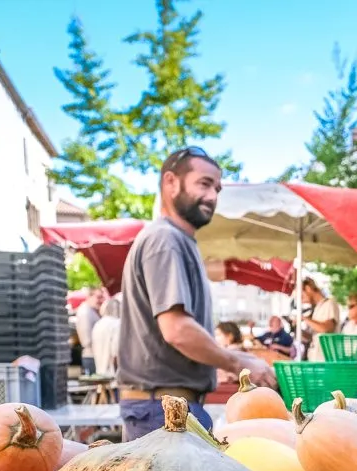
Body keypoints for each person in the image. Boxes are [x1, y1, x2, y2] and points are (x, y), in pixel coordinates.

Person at [117, 146, 276, 440]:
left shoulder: (179, 241)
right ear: (171, 182)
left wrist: (218, 363)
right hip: (162, 411)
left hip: (168, 406)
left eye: (217, 188)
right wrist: (238, 362)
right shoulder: (165, 239)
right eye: (204, 184)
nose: (213, 196)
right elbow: (176, 329)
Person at [302, 276, 339, 358]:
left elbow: (325, 329)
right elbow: (315, 336)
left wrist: (303, 318)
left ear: (308, 289)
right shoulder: (317, 308)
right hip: (315, 357)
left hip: (326, 359)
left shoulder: (329, 303)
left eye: (302, 295)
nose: (302, 300)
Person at [74, 287, 104, 375]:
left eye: (102, 297)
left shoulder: (91, 311)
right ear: (90, 297)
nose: (101, 300)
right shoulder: (85, 312)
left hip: (94, 356)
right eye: (98, 297)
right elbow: (87, 340)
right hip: (91, 356)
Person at [91, 297, 122, 377]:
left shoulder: (98, 324)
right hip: (113, 374)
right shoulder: (117, 324)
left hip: (100, 372)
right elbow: (116, 351)